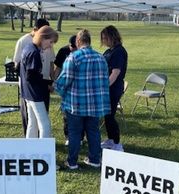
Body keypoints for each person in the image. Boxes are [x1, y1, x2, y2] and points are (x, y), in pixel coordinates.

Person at [55, 29, 110, 169]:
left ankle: (72, 162)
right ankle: (94, 160)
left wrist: (57, 89)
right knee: (93, 131)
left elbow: (64, 80)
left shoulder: (73, 57)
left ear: (78, 42)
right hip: (95, 104)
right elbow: (104, 81)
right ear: (89, 41)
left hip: (76, 104)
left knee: (74, 133)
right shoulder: (101, 58)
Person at [13, 18, 55, 136]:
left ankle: (30, 151)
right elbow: (31, 77)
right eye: (50, 42)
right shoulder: (33, 52)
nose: (50, 45)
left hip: (27, 93)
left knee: (33, 123)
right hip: (35, 93)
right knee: (45, 124)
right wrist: (47, 83)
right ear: (43, 38)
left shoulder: (29, 48)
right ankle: (43, 153)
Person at [100, 25, 128, 152]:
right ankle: (111, 140)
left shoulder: (119, 52)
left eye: (105, 38)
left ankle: (117, 143)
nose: (103, 40)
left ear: (112, 37)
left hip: (113, 88)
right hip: (107, 87)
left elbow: (115, 73)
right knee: (107, 115)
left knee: (110, 115)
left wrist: (104, 87)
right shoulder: (108, 51)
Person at [54, 35, 84, 146]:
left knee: (80, 115)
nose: (72, 49)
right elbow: (57, 68)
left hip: (80, 89)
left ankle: (80, 137)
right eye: (71, 46)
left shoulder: (83, 54)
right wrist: (55, 82)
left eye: (74, 47)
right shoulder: (63, 51)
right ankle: (68, 136)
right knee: (66, 114)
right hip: (67, 88)